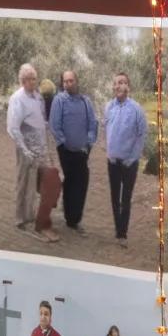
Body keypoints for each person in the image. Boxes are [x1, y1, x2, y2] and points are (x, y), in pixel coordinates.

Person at [7, 64, 58, 245]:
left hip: (41, 149)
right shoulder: (17, 99)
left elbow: (42, 122)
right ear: (22, 81)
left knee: (51, 182)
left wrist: (46, 148)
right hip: (26, 150)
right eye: (29, 78)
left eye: (35, 78)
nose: (33, 81)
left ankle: (40, 218)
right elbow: (13, 128)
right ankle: (22, 220)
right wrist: (25, 150)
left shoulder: (37, 97)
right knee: (25, 185)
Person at [48, 69, 98, 235]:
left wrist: (88, 144)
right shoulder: (59, 100)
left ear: (77, 81)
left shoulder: (86, 101)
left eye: (71, 81)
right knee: (71, 181)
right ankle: (71, 219)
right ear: (62, 83)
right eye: (65, 81)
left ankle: (74, 218)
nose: (68, 84)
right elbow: (54, 125)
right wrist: (63, 143)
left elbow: (93, 123)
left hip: (83, 150)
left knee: (82, 182)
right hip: (66, 150)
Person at [103, 73, 147, 244]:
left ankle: (123, 234)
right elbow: (106, 128)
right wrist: (108, 151)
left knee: (125, 198)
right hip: (112, 161)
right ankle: (118, 229)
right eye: (116, 83)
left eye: (122, 83)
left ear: (128, 87)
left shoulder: (136, 109)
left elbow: (142, 134)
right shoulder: (109, 107)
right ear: (113, 87)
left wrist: (133, 157)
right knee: (114, 197)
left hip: (130, 162)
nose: (119, 86)